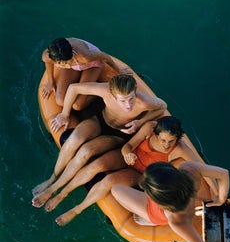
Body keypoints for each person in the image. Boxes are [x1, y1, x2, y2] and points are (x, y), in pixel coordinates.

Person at [32, 116, 215, 226]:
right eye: (163, 140)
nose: (166, 145)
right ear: (155, 133)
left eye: (171, 141)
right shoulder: (148, 127)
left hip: (141, 174)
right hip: (129, 157)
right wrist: (127, 153)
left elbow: (205, 170)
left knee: (109, 181)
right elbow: (129, 145)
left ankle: (77, 210)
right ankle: (60, 193)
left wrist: (216, 198)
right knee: (96, 165)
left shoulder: (181, 148)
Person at [32, 74, 167, 201]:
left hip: (118, 134)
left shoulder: (143, 102)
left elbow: (162, 107)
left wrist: (140, 122)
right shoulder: (105, 90)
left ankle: (55, 190)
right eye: (123, 100)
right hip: (100, 119)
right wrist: (65, 114)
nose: (128, 105)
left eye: (131, 98)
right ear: (113, 95)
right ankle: (52, 178)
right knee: (75, 139)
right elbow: (74, 88)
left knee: (86, 151)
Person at [111, 161, 230, 242]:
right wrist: (220, 200)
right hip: (180, 204)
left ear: (157, 201)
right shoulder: (189, 169)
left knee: (116, 190)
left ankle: (148, 219)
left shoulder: (176, 221)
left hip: (158, 214)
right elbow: (224, 174)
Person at [42, 37, 128, 109]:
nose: (67, 65)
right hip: (74, 67)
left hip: (92, 65)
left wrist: (119, 70)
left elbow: (104, 56)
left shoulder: (84, 56)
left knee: (77, 105)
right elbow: (48, 62)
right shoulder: (50, 56)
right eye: (63, 64)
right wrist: (51, 82)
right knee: (60, 101)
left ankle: (100, 91)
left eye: (69, 62)